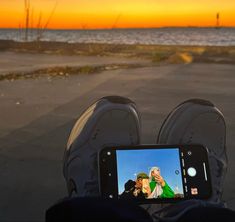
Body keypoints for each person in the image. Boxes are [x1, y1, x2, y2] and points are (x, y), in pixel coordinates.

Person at [46, 96, 235, 222]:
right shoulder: (136, 184)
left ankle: (93, 203)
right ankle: (188, 210)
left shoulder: (158, 184)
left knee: (100, 214)